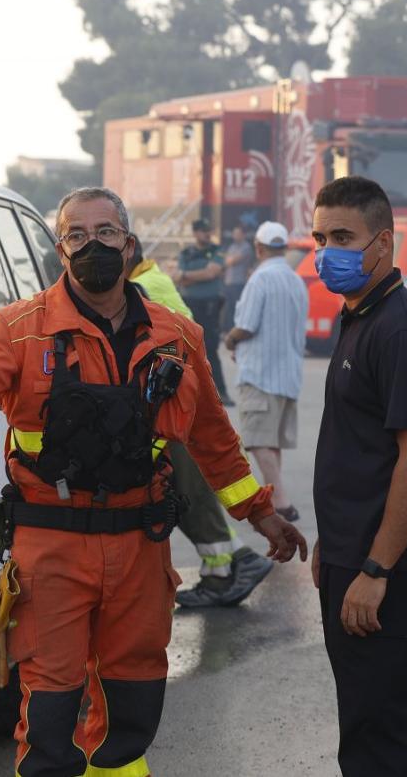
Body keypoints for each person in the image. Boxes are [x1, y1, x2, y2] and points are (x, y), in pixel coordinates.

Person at [0, 187, 306, 777]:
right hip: (51, 552)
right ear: (60, 251)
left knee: (132, 703)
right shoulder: (19, 329)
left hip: (140, 547)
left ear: (130, 243)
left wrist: (262, 514)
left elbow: (215, 442)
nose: (93, 245)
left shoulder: (177, 337)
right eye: (77, 235)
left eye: (106, 232)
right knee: (50, 710)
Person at [310, 176, 407, 776]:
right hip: (357, 551)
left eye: (343, 236)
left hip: (392, 566)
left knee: (374, 729)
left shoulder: (402, 329)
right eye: (320, 236)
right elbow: (359, 448)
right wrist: (337, 541)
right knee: (379, 716)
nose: (328, 251)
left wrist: (375, 569)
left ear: (384, 243)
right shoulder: (360, 316)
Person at [126, 237, 275, 608]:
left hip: (175, 404)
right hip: (177, 399)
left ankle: (226, 568)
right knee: (183, 491)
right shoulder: (152, 279)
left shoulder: (143, 288)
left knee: (185, 492)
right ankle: (234, 562)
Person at [223, 221, 309, 523]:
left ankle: (282, 502)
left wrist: (229, 339)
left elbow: (246, 325)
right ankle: (275, 494)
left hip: (260, 374)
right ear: (283, 248)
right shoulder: (296, 281)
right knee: (270, 442)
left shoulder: (260, 280)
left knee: (258, 440)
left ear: (258, 248)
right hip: (287, 376)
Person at [176, 218, 233, 405]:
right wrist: (197, 275)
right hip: (189, 305)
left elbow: (212, 272)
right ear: (195, 232)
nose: (207, 234)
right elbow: (178, 277)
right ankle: (190, 395)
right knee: (187, 350)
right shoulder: (186, 252)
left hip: (210, 307)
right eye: (202, 231)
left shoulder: (217, 250)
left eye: (208, 230)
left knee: (211, 349)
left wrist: (187, 275)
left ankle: (221, 393)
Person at [221, 224, 255, 333]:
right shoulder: (232, 247)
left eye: (238, 234)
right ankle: (228, 330)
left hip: (239, 282)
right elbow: (226, 261)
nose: (235, 236)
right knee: (228, 308)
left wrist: (229, 259)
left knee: (237, 308)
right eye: (234, 234)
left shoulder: (246, 247)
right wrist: (228, 260)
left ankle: (236, 330)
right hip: (229, 282)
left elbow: (231, 261)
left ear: (243, 235)